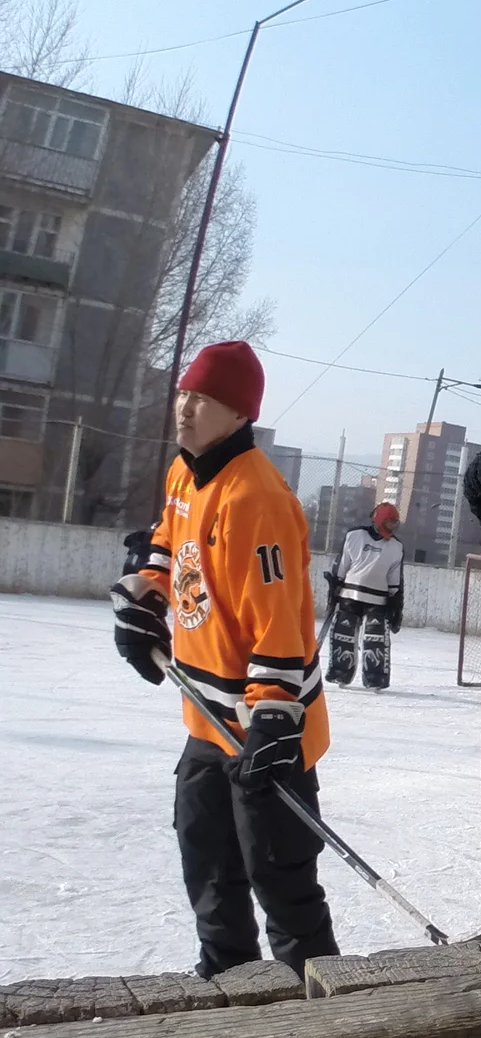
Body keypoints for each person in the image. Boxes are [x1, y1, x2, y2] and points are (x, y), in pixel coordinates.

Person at [108, 342, 338, 979]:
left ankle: (318, 1019)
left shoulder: (256, 500)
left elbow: (281, 624)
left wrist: (272, 722)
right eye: (183, 393)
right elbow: (166, 539)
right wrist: (144, 593)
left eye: (202, 399)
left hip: (266, 729)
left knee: (283, 885)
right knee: (207, 864)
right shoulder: (186, 470)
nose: (184, 407)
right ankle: (228, 988)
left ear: (239, 413)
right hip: (207, 721)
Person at [326, 502, 405, 690]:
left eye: (395, 523)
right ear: (378, 520)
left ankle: (375, 679)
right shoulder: (354, 536)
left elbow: (395, 582)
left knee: (375, 640)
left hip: (378, 600)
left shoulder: (396, 547)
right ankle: (340, 673)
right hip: (350, 596)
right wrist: (334, 589)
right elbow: (342, 566)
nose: (392, 527)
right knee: (343, 636)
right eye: (389, 522)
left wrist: (396, 606)